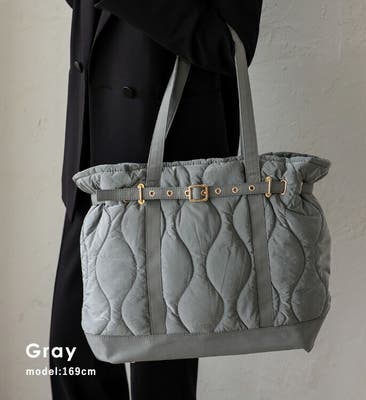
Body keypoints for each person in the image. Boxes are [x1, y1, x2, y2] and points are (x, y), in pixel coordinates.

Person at [49, 0, 263, 398]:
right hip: (92, 167)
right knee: (73, 361)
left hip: (171, 187)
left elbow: (228, 44)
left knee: (161, 378)